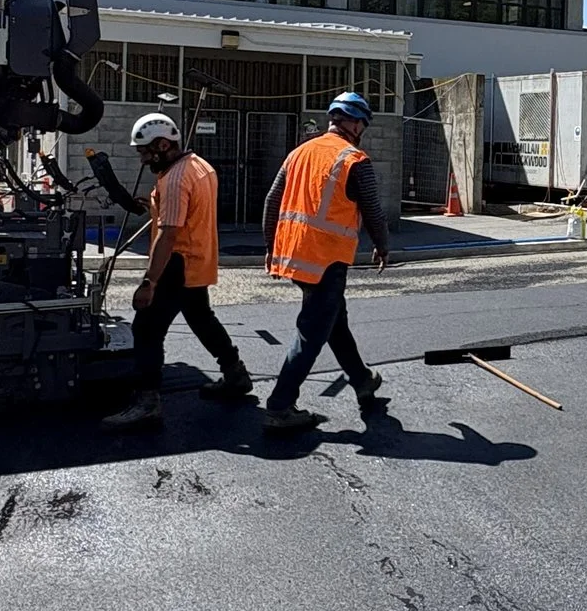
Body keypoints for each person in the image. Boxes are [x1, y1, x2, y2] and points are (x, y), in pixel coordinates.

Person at [102, 113, 252, 428]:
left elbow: (169, 233)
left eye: (145, 151)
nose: (143, 159)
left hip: (176, 263)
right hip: (197, 260)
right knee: (201, 318)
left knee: (146, 330)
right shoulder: (201, 167)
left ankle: (147, 402)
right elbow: (189, 211)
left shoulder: (174, 179)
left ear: (163, 145)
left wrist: (149, 282)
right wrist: (156, 205)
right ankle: (235, 373)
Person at [259, 91, 392, 434]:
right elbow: (374, 213)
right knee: (312, 332)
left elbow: (272, 202)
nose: (362, 129)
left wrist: (270, 246)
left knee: (334, 320)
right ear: (354, 122)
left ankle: (362, 380)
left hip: (296, 255)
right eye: (362, 123)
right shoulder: (354, 160)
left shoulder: (298, 153)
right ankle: (279, 406)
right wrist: (383, 246)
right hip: (327, 258)